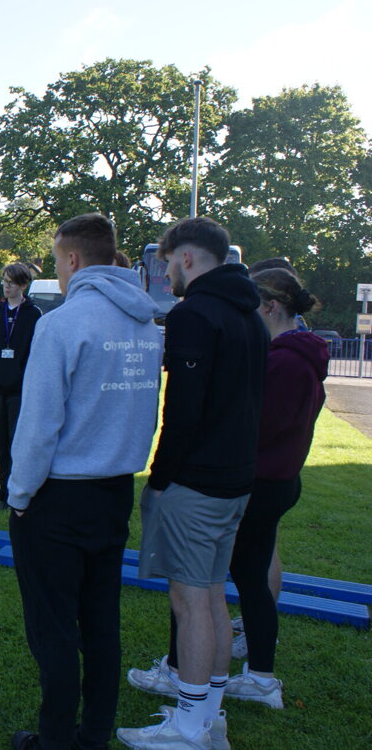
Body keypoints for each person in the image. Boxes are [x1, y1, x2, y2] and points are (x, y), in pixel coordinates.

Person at [5, 213, 162, 750]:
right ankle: (93, 734)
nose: (57, 271)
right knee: (101, 623)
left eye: (55, 261)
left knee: (53, 629)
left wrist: (20, 496)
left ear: (72, 259)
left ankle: (54, 741)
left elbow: (39, 424)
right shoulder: (145, 322)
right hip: (115, 490)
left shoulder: (64, 323)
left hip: (59, 497)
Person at [119, 217, 268, 750]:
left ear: (185, 257)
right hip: (235, 480)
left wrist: (158, 479)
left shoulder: (194, 314)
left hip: (198, 483)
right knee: (210, 597)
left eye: (166, 262)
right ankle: (206, 715)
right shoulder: (249, 314)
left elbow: (182, 410)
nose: (165, 274)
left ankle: (189, 727)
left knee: (191, 600)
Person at [224, 268, 328, 706]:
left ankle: (261, 675)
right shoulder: (293, 355)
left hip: (266, 480)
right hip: (277, 478)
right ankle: (260, 672)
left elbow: (261, 425)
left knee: (249, 579)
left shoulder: (286, 361)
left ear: (270, 306)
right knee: (250, 577)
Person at [0, 262, 43, 508]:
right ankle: (3, 488)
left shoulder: (33, 314)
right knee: (0, 442)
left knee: (17, 441)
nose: (6, 287)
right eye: (4, 281)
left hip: (20, 390)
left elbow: (36, 352)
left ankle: (16, 491)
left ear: (23, 285)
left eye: (11, 283)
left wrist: (20, 375)